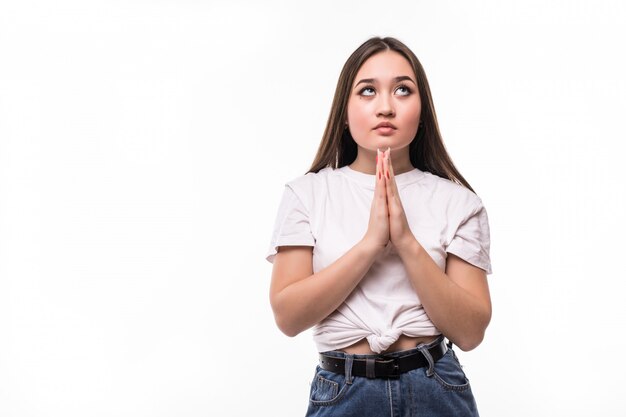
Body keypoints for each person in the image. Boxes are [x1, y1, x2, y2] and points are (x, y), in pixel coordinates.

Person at [265, 36, 493, 417]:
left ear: (422, 111)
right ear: (344, 109)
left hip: (436, 386)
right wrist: (370, 244)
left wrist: (405, 241)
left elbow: (470, 333)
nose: (385, 106)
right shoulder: (307, 194)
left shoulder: (459, 203)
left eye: (403, 90)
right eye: (367, 91)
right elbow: (288, 318)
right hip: (343, 389)